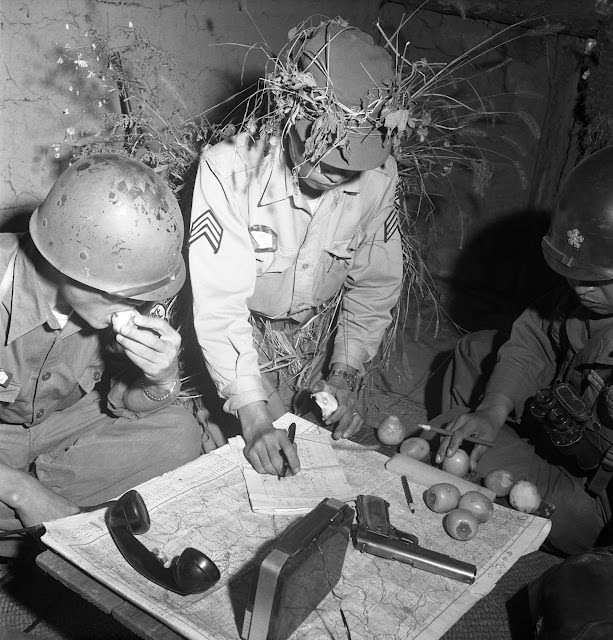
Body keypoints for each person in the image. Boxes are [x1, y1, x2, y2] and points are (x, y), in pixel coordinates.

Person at [188, 18, 403, 476]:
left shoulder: (380, 178)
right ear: (289, 113)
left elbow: (374, 288)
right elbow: (221, 307)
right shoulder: (228, 171)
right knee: (233, 461)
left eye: (353, 163)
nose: (340, 173)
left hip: (315, 342)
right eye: (325, 153)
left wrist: (343, 375)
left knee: (330, 454)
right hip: (245, 342)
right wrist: (253, 413)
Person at [0, 153, 203, 542]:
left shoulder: (103, 295)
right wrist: (19, 491)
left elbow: (120, 401)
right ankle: (44, 520)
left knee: (179, 434)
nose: (139, 310)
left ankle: (44, 518)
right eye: (125, 297)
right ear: (72, 272)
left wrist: (160, 378)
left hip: (55, 427)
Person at [434, 146, 613, 555]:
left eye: (595, 279)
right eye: (572, 273)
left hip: (593, 501)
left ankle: (494, 484)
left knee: (472, 462)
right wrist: (493, 410)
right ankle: (481, 456)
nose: (577, 287)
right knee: (473, 352)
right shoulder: (581, 293)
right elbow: (535, 337)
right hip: (553, 433)